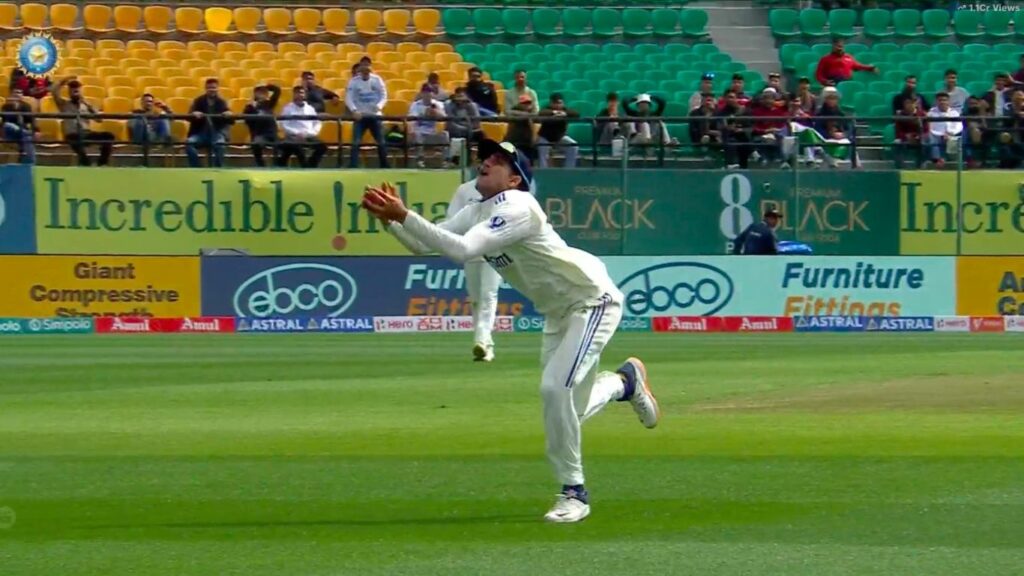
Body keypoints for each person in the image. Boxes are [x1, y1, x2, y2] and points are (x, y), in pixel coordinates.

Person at [361, 139, 660, 523]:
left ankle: (574, 492)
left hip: (592, 302)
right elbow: (423, 245)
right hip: (558, 313)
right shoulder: (477, 209)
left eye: (499, 160)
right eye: (487, 157)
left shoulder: (519, 207)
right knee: (571, 407)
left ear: (516, 179)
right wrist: (392, 221)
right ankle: (624, 383)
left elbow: (464, 250)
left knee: (555, 390)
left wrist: (405, 214)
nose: (487, 162)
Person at [445, 156, 504, 362]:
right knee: (477, 300)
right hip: (470, 250)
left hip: (494, 251)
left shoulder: (503, 191)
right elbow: (452, 218)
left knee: (489, 295)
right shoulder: (465, 190)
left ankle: (482, 340)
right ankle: (485, 345)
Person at [52, 77, 115, 166]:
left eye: (76, 89)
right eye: (72, 90)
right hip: (72, 134)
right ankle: (86, 163)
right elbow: (54, 92)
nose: (75, 92)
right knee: (74, 140)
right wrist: (63, 81)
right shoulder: (64, 104)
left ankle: (102, 163)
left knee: (108, 136)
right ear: (69, 92)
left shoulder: (86, 105)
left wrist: (87, 104)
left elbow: (99, 120)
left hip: (86, 133)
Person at [346, 62, 389, 168]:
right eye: (363, 70)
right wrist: (354, 110)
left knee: (381, 142)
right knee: (356, 142)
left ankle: (385, 165)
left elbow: (384, 95)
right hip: (360, 116)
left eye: (367, 70)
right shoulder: (354, 81)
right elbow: (348, 98)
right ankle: (353, 165)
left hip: (375, 115)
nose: (366, 73)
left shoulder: (377, 80)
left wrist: (379, 106)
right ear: (360, 70)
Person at [186, 78, 233, 168]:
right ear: (205, 89)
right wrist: (193, 113)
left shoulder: (222, 102)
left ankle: (217, 169)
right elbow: (189, 116)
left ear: (217, 89)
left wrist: (228, 114)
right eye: (209, 88)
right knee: (189, 143)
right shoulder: (198, 100)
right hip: (200, 133)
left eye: (214, 88)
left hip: (217, 132)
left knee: (221, 145)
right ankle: (196, 168)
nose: (212, 90)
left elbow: (230, 120)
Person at [279, 85, 327, 168]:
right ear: (293, 94)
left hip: (308, 135)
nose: (300, 95)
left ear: (305, 94)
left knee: (322, 147)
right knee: (295, 146)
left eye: (302, 93)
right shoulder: (287, 108)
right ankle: (304, 166)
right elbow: (284, 124)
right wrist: (297, 133)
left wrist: (309, 133)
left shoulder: (310, 108)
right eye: (297, 93)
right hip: (293, 136)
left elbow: (317, 123)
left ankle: (311, 165)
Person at [407, 83, 449, 168]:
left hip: (433, 133)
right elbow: (412, 120)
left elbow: (445, 117)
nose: (427, 94)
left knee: (445, 135)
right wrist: (424, 114)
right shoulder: (415, 105)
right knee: (417, 134)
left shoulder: (438, 104)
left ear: (433, 94)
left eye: (429, 92)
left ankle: (446, 161)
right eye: (425, 92)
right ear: (421, 93)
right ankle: (420, 160)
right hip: (420, 132)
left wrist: (436, 111)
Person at [243, 84, 282, 167]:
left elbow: (277, 91)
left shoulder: (269, 104)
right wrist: (254, 109)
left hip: (272, 134)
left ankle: (280, 165)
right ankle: (261, 165)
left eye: (265, 93)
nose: (263, 95)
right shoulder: (249, 107)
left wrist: (267, 86)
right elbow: (247, 120)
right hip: (259, 134)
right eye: (260, 93)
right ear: (255, 94)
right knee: (256, 144)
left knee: (289, 145)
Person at [537, 93, 579, 168]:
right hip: (545, 138)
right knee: (542, 149)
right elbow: (541, 113)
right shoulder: (547, 109)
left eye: (559, 103)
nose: (557, 105)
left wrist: (564, 113)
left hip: (559, 138)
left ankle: (569, 170)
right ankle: (543, 171)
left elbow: (576, 114)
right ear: (551, 103)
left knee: (573, 146)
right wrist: (554, 112)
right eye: (555, 103)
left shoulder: (565, 110)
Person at [0, 87, 38, 164]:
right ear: (12, 95)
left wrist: (37, 130)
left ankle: (30, 162)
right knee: (9, 126)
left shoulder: (26, 106)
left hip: (21, 129)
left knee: (27, 138)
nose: (18, 95)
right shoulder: (6, 106)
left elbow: (31, 120)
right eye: (16, 92)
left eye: (20, 93)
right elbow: (3, 121)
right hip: (9, 129)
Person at [925, 92, 962, 169]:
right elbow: (929, 127)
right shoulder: (931, 113)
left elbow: (959, 126)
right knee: (930, 137)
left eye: (945, 100)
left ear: (948, 101)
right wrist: (940, 134)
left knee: (955, 138)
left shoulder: (954, 113)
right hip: (935, 136)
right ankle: (937, 160)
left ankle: (953, 163)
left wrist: (950, 133)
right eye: (940, 100)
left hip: (950, 135)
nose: (942, 102)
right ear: (936, 101)